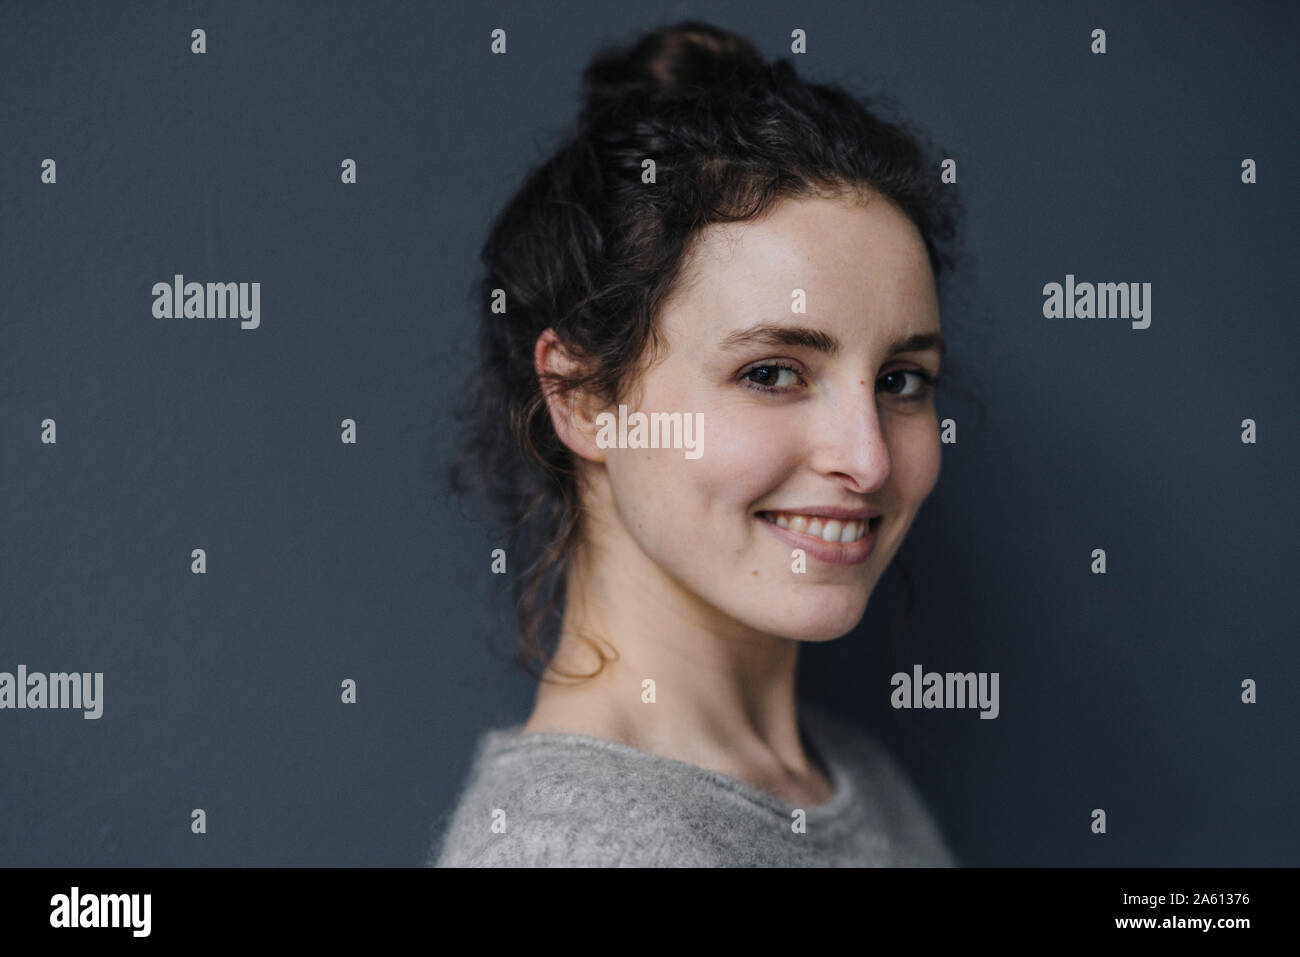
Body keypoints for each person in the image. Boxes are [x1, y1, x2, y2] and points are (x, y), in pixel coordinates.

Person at [431, 19, 963, 866]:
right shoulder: (574, 851)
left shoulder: (852, 779)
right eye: (772, 372)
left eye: (901, 380)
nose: (869, 460)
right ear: (581, 395)